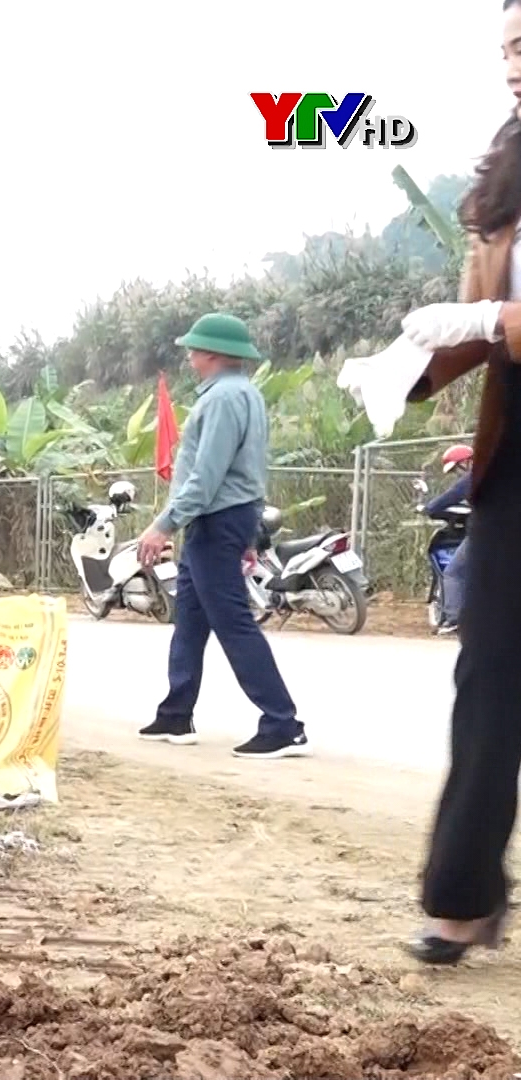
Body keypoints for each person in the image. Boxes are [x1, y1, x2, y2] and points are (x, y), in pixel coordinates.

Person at [391, 17, 521, 959]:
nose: (516, 60)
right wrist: (406, 368)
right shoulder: (509, 172)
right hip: (517, 457)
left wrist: (492, 318)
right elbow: (484, 326)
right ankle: (465, 893)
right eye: (509, 44)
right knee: (491, 675)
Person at [133, 313, 305, 760]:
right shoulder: (240, 394)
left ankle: (282, 722)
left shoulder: (224, 399)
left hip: (215, 517)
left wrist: (163, 525)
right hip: (223, 517)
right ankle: (176, 711)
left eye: (193, 348)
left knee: (231, 620)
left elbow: (205, 478)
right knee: (189, 617)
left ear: (210, 353)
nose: (189, 356)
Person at [423, 445, 473, 634]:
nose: (457, 473)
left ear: (467, 462)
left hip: (488, 532)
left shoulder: (474, 476)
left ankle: (453, 619)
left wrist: (429, 507)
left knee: (453, 572)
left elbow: (450, 496)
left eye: (456, 469)